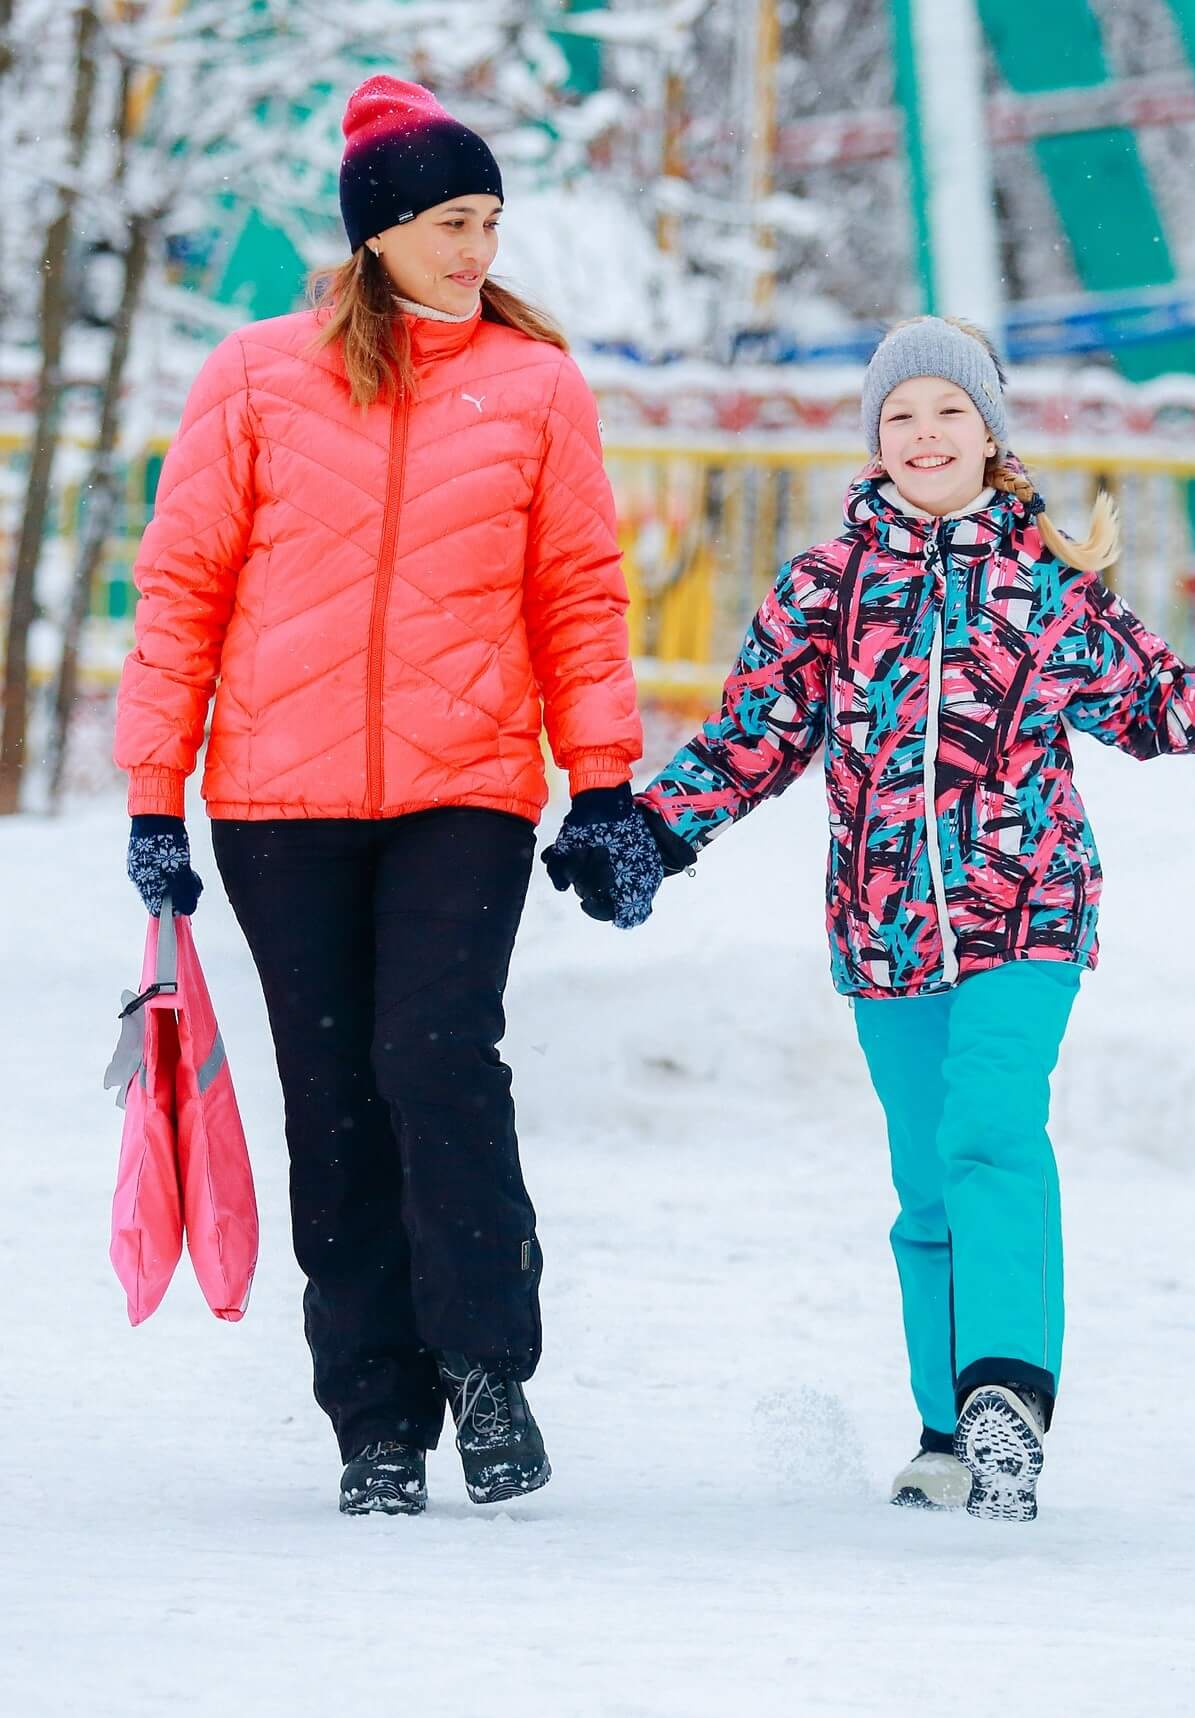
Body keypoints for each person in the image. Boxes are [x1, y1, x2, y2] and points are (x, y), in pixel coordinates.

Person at [595, 316, 1195, 1522]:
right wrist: (654, 830)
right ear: (876, 438)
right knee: (924, 1186)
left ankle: (1007, 1391)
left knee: (988, 1132)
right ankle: (945, 1427)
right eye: (901, 416)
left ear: (989, 433)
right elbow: (754, 735)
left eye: (948, 413)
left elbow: (1155, 703)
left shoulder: (1043, 587)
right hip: (881, 932)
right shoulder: (825, 587)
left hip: (1026, 914)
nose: (924, 435)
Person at [114, 74, 667, 1516]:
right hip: (278, 804)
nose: (476, 248)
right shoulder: (252, 376)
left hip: (465, 785)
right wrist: (152, 795)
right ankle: (373, 1418)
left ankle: (487, 1369)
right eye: (449, 222)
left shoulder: (535, 385)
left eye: (488, 219)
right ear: (378, 232)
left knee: (435, 1058)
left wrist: (603, 784)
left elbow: (578, 594)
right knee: (334, 1099)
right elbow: (179, 589)